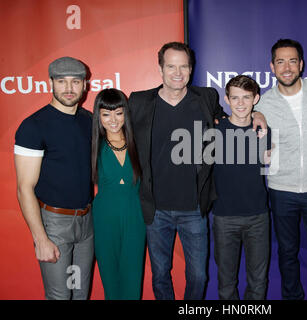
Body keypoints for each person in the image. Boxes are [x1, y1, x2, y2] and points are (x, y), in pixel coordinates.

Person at [128, 42, 267, 300]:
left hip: (194, 208)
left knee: (199, 277)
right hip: (156, 209)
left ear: (191, 70)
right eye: (171, 66)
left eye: (184, 66)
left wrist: (259, 114)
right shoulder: (139, 102)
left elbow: (235, 118)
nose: (177, 72)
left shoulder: (206, 98)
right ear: (160, 69)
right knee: (160, 275)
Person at [254, 39, 307, 300]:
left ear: (301, 64)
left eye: (292, 60)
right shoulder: (263, 104)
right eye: (280, 61)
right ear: (272, 66)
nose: (286, 67)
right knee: (287, 253)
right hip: (281, 190)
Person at [14, 57, 94, 300]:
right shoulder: (33, 126)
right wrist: (40, 239)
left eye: (75, 81)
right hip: (55, 225)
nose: (69, 88)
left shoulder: (90, 120)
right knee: (60, 296)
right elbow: (24, 187)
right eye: (61, 81)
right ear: (51, 83)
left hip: (87, 224)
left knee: (79, 293)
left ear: (85, 85)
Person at [212, 75, 271, 300]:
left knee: (258, 283)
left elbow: (267, 163)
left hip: (258, 216)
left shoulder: (263, 130)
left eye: (246, 97)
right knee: (226, 283)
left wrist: (260, 121)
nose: (240, 103)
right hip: (224, 217)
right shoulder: (215, 131)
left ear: (256, 98)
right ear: (227, 99)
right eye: (235, 98)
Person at [91, 88, 146, 300]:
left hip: (135, 217)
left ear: (126, 113)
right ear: (99, 116)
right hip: (105, 219)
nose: (113, 119)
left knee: (132, 279)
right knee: (110, 281)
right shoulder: (93, 144)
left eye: (118, 112)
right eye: (106, 114)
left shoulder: (139, 141)